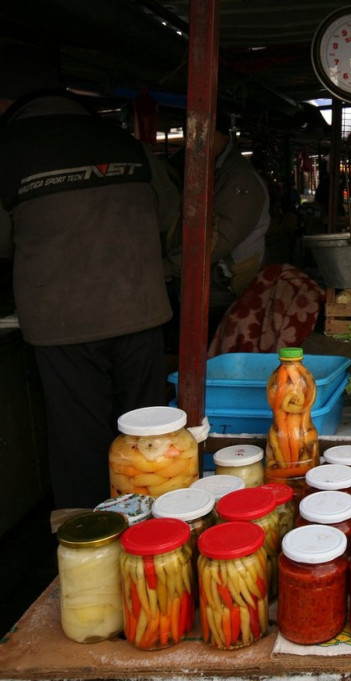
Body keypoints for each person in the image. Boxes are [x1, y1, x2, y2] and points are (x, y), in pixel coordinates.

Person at [0, 45, 180, 509]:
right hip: (140, 310)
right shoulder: (122, 140)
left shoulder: (6, 151)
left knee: (80, 439)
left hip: (64, 325)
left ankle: (91, 549)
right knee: (146, 432)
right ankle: (158, 533)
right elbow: (168, 212)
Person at [165, 109, 271, 333]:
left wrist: (169, 266)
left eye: (204, 133)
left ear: (223, 136)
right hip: (204, 290)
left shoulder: (239, 180)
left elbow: (217, 242)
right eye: (190, 133)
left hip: (225, 291)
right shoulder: (202, 167)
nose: (194, 140)